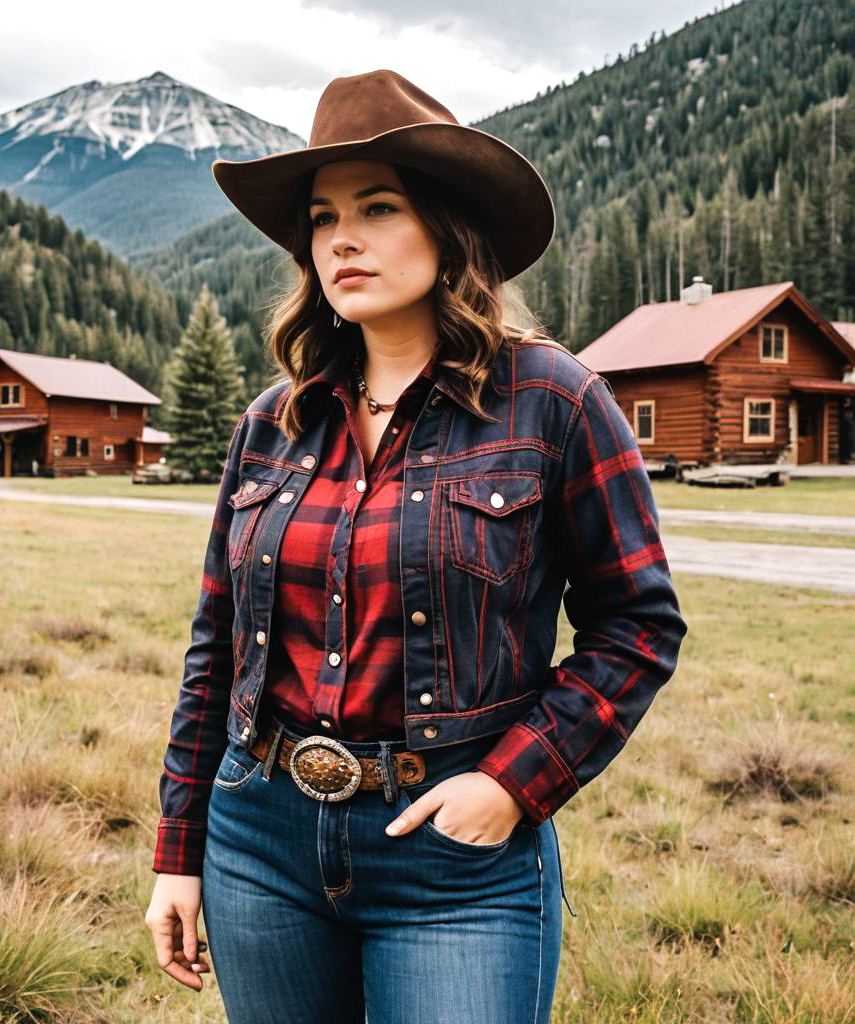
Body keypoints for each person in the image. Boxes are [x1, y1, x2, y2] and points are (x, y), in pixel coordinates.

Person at [145, 69, 688, 1023]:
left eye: (378, 206)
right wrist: (180, 847)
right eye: (322, 218)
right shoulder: (272, 423)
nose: (341, 238)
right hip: (259, 836)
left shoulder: (553, 401)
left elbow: (636, 626)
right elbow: (215, 646)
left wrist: (513, 785)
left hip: (454, 854)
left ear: (448, 225)